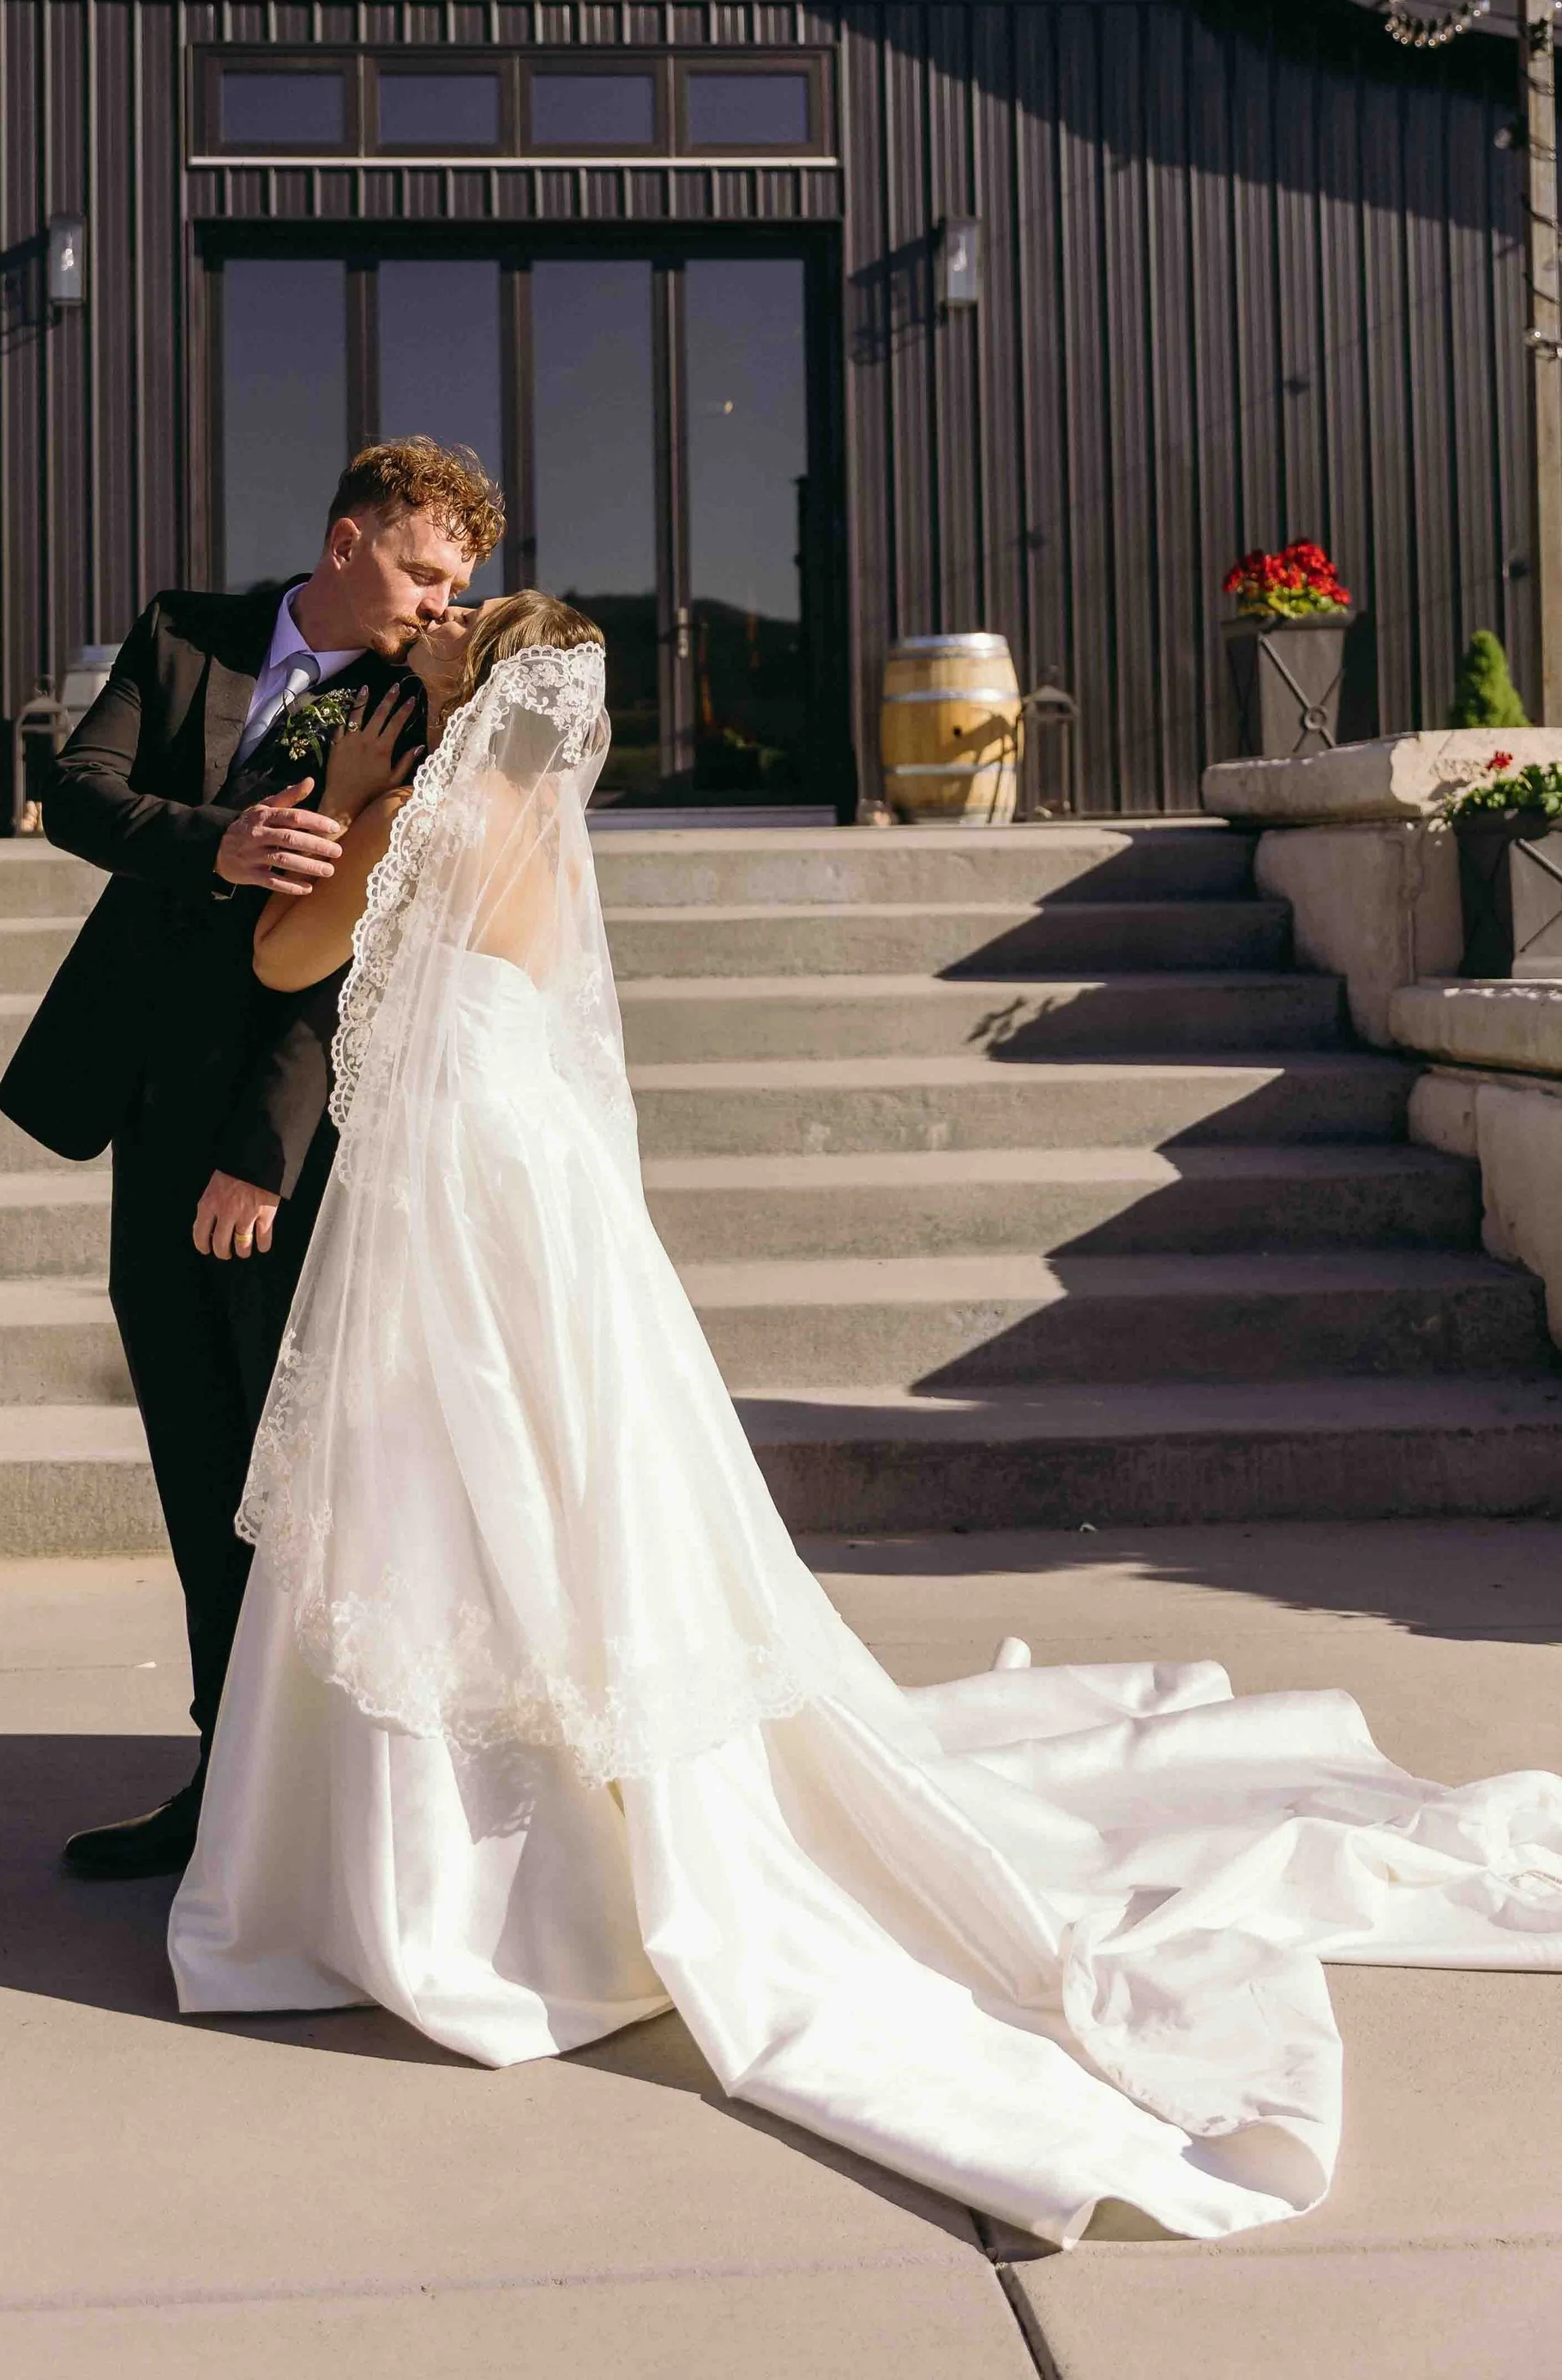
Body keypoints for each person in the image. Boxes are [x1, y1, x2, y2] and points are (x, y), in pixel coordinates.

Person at [169, 595, 1562, 2248]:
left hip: (455, 1182)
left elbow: (281, 953)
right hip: (532, 1173)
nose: (439, 632)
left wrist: (353, 801)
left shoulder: (430, 806)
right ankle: (541, 1796)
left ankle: (473, 1869)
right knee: (556, 1477)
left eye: (465, 634)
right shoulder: (541, 820)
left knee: (451, 1477)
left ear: (485, 686)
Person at [0, 437, 503, 1878]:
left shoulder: (417, 709)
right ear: (346, 543)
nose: (435, 601)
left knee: (285, 1472)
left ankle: (315, 1798)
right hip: (141, 1106)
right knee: (192, 1447)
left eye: (459, 583)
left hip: (278, 1145)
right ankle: (229, 1773)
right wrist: (219, 841)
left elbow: (352, 966)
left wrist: (264, 1156)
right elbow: (81, 799)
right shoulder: (184, 635)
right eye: (421, 569)